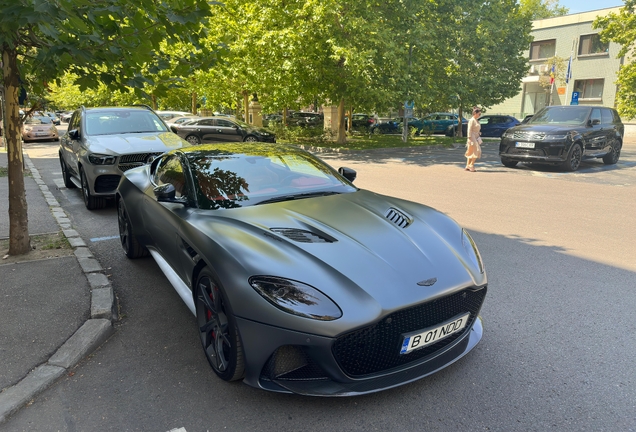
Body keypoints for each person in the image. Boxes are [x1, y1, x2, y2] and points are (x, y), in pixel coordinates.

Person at [465, 107, 483, 172]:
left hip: (476, 136)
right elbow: (469, 129)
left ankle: (467, 165)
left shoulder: (476, 120)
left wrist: (478, 133)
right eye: (479, 114)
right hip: (472, 136)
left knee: (471, 150)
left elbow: (476, 128)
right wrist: (469, 138)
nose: (479, 115)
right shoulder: (472, 120)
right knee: (477, 150)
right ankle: (471, 165)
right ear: (475, 113)